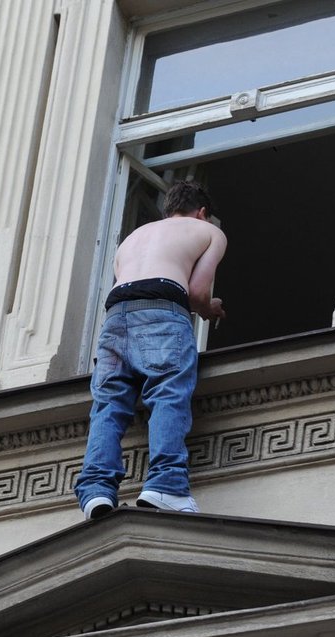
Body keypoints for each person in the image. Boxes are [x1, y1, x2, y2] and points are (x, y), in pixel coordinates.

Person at [75, 180, 227, 518]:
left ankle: (96, 492)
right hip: (162, 310)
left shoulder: (133, 238)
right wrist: (209, 309)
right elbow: (198, 291)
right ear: (202, 212)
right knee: (169, 391)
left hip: (115, 317)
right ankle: (167, 486)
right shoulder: (208, 232)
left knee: (110, 404)